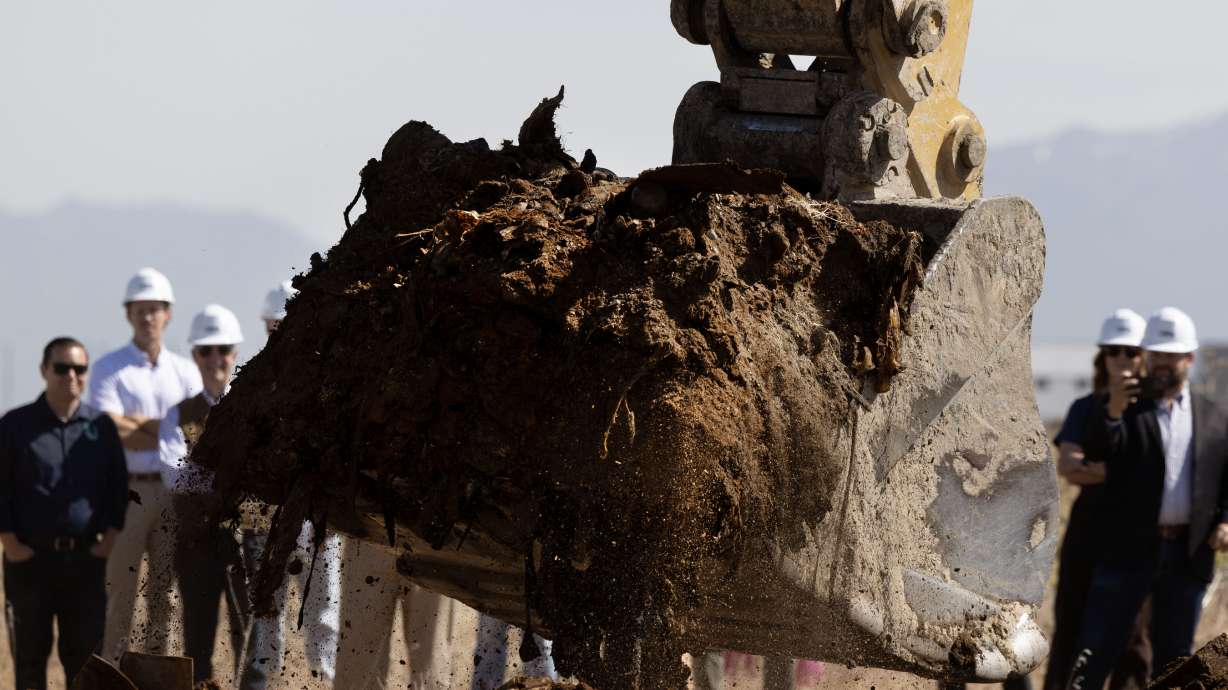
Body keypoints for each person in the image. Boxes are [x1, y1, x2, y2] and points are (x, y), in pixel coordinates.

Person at [1069, 307, 1228, 689]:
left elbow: (1224, 478)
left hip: (1186, 557)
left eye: (1171, 356)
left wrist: (1224, 521)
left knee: (1176, 664)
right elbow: (1097, 452)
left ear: (1189, 358)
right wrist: (1114, 411)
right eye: (1156, 355)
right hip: (1126, 553)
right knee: (1094, 654)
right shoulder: (1124, 408)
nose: (1161, 364)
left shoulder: (1214, 417)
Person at [0, 337, 128, 689]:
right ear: (44, 370)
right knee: (29, 659)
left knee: (86, 661)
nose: (70, 376)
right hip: (28, 562)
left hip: (85, 562)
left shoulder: (101, 428)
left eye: (79, 369)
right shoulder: (14, 426)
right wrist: (9, 542)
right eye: (61, 368)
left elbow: (118, 487)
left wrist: (110, 538)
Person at [88, 267, 203, 660]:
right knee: (120, 586)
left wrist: (138, 424)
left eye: (154, 308)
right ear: (128, 313)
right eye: (139, 308)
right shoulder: (107, 368)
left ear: (168, 313)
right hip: (128, 492)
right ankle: (113, 670)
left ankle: (158, 672)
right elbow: (108, 429)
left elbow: (195, 431)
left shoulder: (187, 372)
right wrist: (168, 428)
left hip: (175, 493)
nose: (147, 316)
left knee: (164, 592)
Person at [238, 281, 342, 689]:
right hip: (266, 520)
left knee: (323, 616)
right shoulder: (254, 380)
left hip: (317, 521)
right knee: (267, 613)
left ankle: (324, 681)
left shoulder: (329, 374)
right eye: (274, 325)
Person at [1043, 309, 1152, 690]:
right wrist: (1119, 471)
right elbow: (1069, 467)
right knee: (1070, 626)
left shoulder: (1155, 412)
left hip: (1137, 535)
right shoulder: (1085, 408)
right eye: (1114, 351)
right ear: (1102, 358)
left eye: (1131, 351)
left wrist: (1103, 469)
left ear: (1145, 357)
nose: (1122, 359)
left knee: (1133, 639)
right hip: (1088, 532)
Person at [160, 305, 247, 684]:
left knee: (252, 635)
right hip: (196, 540)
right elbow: (173, 474)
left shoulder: (254, 407)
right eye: (206, 350)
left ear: (236, 353)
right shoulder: (177, 414)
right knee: (198, 637)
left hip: (249, 540)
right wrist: (228, 480)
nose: (216, 359)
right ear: (194, 355)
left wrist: (206, 475)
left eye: (223, 349)